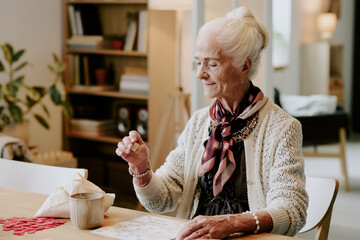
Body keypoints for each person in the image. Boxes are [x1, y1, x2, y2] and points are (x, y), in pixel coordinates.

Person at [116, 6, 308, 240]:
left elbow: (292, 211)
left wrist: (233, 222)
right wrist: (141, 169)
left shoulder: (282, 128)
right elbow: (162, 199)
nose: (200, 74)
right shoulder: (199, 122)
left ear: (244, 66)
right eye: (198, 62)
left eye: (212, 64)